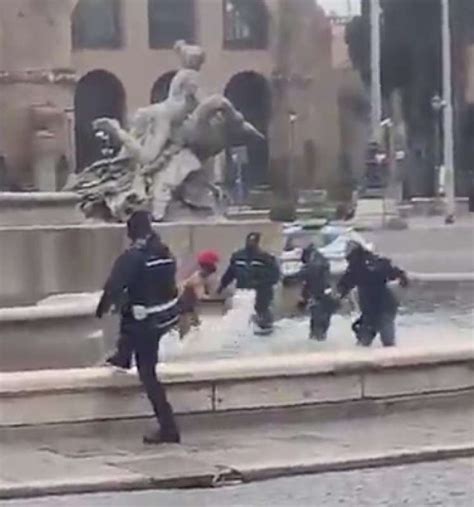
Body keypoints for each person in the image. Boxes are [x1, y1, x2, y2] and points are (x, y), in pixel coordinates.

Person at [95, 210, 181, 444]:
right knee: (132, 326)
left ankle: (168, 427)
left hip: (144, 321)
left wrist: (102, 308)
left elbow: (114, 284)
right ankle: (122, 356)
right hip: (161, 317)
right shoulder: (164, 252)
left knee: (147, 373)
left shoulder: (134, 256)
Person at [337, 241, 409, 347]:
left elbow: (344, 285)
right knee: (372, 339)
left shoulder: (357, 267)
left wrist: (339, 296)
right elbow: (396, 273)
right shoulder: (371, 263)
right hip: (374, 308)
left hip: (382, 307)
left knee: (379, 339)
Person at [218, 232, 280, 333]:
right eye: (249, 240)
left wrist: (260, 284)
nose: (251, 243)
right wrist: (221, 286)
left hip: (261, 293)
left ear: (258, 242)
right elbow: (230, 273)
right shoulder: (238, 256)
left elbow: (275, 276)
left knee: (263, 317)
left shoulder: (266, 258)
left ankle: (265, 330)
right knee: (242, 319)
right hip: (243, 292)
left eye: (253, 241)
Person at [287, 243, 338, 340]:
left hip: (320, 298)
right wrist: (304, 299)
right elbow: (309, 284)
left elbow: (307, 275)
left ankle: (318, 342)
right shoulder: (321, 262)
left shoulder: (315, 264)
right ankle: (318, 339)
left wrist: (290, 278)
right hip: (324, 296)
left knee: (318, 323)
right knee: (321, 323)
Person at [178, 249, 220, 339]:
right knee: (186, 328)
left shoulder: (197, 275)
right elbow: (200, 295)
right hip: (184, 306)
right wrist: (210, 296)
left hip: (189, 306)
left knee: (194, 327)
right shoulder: (197, 278)